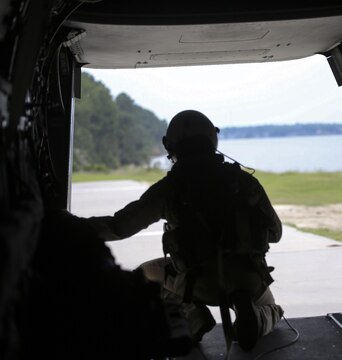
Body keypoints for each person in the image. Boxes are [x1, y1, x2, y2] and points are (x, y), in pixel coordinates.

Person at [88, 110, 284, 351]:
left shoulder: (168, 190)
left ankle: (194, 319)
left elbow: (119, 227)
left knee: (145, 274)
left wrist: (68, 225)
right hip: (249, 278)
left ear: (170, 146)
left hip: (198, 284)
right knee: (272, 310)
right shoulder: (244, 182)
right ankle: (257, 317)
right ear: (213, 139)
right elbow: (275, 233)